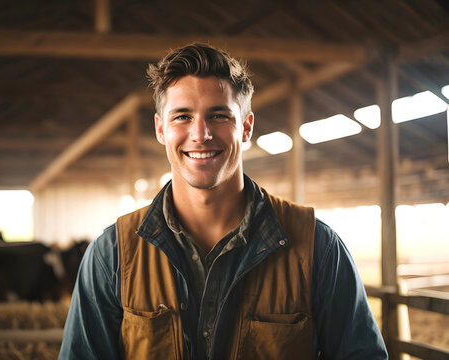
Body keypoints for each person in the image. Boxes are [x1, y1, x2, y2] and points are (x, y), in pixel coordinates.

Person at [59, 43, 388, 359]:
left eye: (218, 115)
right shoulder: (113, 254)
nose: (201, 133)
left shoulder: (317, 247)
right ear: (161, 129)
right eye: (182, 116)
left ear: (246, 128)